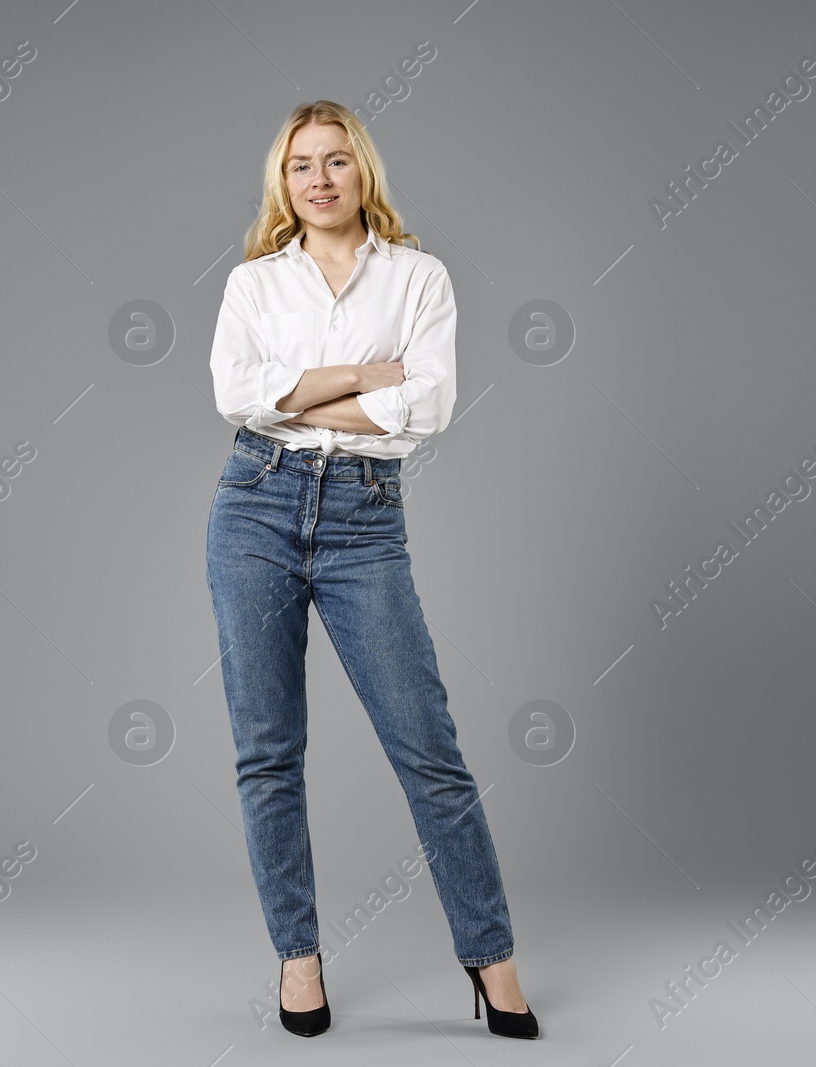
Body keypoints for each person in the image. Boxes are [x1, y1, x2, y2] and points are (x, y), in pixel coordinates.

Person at [205, 100, 538, 1040]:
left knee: (428, 750)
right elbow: (237, 398)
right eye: (301, 165)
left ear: (364, 174)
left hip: (363, 520)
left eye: (336, 162)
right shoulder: (253, 284)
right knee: (268, 751)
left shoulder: (419, 277)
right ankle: (298, 956)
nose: (319, 179)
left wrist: (306, 390)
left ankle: (493, 959)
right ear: (284, 183)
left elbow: (427, 411)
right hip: (254, 508)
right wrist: (366, 378)